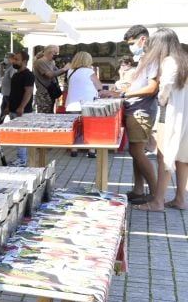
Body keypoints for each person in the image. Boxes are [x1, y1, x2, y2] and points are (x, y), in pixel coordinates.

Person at [101, 25, 159, 204]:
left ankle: (156, 195)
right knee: (136, 152)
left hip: (141, 112)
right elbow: (140, 85)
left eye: (132, 43)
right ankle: (138, 190)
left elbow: (152, 87)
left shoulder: (151, 59)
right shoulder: (143, 58)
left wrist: (123, 94)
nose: (131, 47)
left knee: (137, 152)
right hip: (135, 110)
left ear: (143, 39)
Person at [136, 29, 188, 212]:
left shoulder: (169, 61)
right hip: (185, 114)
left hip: (172, 114)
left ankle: (158, 201)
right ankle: (180, 199)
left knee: (164, 156)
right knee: (182, 158)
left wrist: (162, 99)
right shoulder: (184, 59)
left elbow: (165, 87)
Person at [65, 51, 103, 157]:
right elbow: (99, 86)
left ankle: (74, 149)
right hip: (88, 102)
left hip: (72, 102)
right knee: (90, 126)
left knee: (74, 126)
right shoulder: (89, 71)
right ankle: (91, 150)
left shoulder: (70, 71)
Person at [6, 50, 36, 166]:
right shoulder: (16, 74)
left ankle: (22, 160)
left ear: (24, 61)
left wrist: (21, 107)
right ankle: (20, 158)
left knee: (21, 136)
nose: (14, 61)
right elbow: (12, 93)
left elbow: (28, 92)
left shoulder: (28, 75)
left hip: (22, 111)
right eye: (14, 59)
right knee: (17, 136)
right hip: (13, 109)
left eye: (17, 59)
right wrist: (8, 106)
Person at [33, 45, 68, 113]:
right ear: (49, 52)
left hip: (51, 92)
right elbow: (49, 75)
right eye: (55, 53)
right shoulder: (40, 62)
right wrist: (64, 69)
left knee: (51, 113)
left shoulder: (52, 62)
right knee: (44, 114)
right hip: (43, 93)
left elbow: (57, 72)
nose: (56, 55)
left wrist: (66, 69)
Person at [0, 55, 15, 125]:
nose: (6, 59)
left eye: (8, 58)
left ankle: (12, 123)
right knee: (3, 107)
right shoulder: (8, 68)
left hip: (9, 93)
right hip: (5, 92)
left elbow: (12, 79)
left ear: (12, 59)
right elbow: (2, 75)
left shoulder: (12, 68)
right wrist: (1, 67)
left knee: (8, 108)